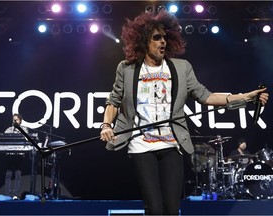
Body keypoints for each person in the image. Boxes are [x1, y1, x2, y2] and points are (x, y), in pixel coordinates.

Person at [100, 9, 269, 215]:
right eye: (157, 37)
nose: (162, 41)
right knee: (154, 208)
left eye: (165, 37)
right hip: (140, 145)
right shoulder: (126, 69)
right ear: (144, 41)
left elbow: (207, 96)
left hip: (172, 144)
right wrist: (106, 125)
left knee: (172, 209)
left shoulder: (181, 68)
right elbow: (114, 101)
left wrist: (246, 97)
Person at [4, 113, 29, 199]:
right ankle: (7, 193)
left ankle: (15, 193)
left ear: (20, 121)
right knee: (8, 174)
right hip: (10, 154)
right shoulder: (9, 129)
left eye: (16, 119)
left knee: (18, 174)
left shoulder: (24, 129)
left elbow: (27, 138)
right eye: (13, 119)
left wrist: (18, 131)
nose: (14, 121)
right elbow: (4, 138)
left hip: (19, 154)